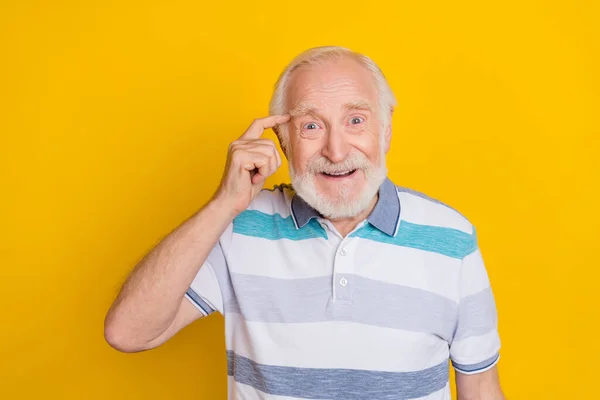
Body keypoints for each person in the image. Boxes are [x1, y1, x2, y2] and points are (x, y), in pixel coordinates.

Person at [104, 46, 505, 400]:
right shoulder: (240, 226)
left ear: (386, 130)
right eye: (311, 126)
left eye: (355, 121)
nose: (335, 150)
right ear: (283, 141)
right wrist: (222, 205)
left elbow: (481, 390)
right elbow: (128, 333)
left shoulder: (452, 239)